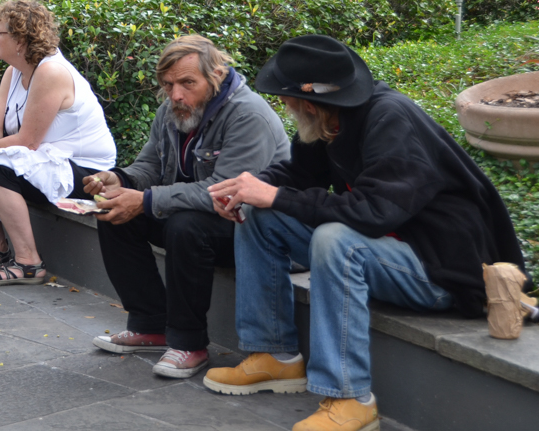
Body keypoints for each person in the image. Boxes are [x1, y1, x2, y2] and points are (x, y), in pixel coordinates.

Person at [203, 35, 529, 431]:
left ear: (307, 102)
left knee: (336, 241)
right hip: (387, 252)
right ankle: (275, 358)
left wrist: (273, 195)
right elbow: (297, 175)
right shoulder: (329, 118)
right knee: (261, 214)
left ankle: (350, 398)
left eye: (284, 99)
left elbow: (375, 213)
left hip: (439, 268)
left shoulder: (391, 120)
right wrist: (248, 188)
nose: (283, 106)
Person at [84, 36, 289, 378]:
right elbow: (149, 166)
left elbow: (222, 192)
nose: (176, 94)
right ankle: (151, 325)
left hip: (250, 230)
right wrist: (119, 180)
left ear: (217, 76)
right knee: (115, 213)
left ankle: (189, 343)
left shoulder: (248, 116)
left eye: (187, 83)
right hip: (201, 217)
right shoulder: (171, 109)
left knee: (186, 226)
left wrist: (146, 200)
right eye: (168, 85)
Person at [0, 0, 116, 284]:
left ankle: (29, 263)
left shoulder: (51, 72)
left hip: (86, 173)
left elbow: (28, 141)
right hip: (46, 161)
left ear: (20, 40)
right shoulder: (13, 72)